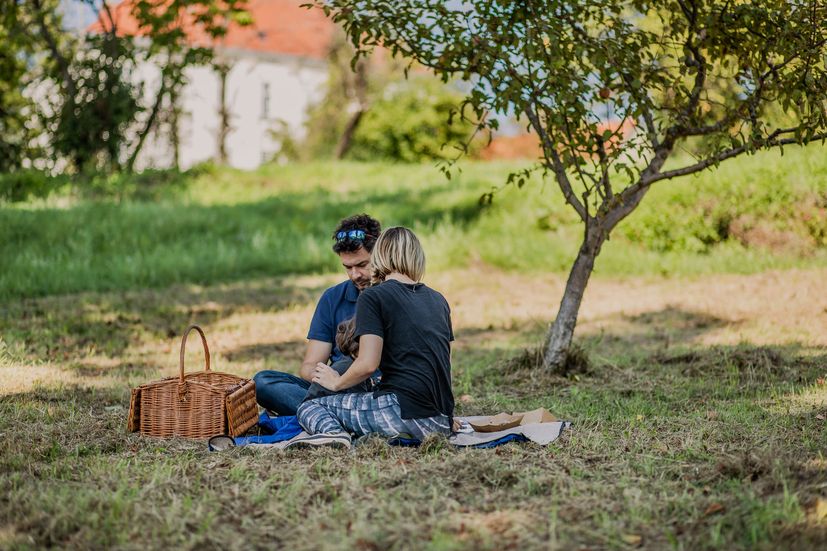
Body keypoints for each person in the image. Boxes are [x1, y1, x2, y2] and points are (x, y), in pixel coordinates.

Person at [294, 227, 455, 448]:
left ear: (379, 255)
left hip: (402, 414)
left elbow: (368, 364)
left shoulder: (373, 296)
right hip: (442, 422)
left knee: (310, 407)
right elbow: (444, 365)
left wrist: (337, 382)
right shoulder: (438, 299)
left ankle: (335, 436)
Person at [253, 214, 381, 415]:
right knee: (262, 382)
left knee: (352, 366)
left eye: (362, 265)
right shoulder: (332, 298)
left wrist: (344, 378)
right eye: (348, 267)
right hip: (330, 388)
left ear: (380, 254)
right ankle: (333, 413)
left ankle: (317, 413)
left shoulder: (392, 294)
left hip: (373, 386)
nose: (355, 274)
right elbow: (309, 366)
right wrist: (329, 378)